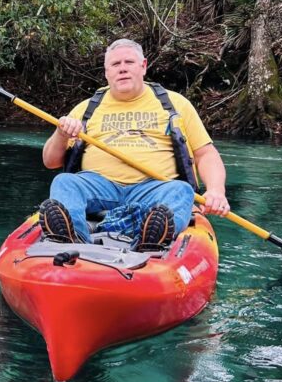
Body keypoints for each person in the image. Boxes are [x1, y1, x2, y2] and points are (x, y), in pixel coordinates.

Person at [39, 38, 230, 250]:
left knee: (181, 190)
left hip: (155, 189)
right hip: (100, 187)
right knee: (64, 182)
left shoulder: (175, 104)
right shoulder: (86, 109)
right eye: (115, 64)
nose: (122, 69)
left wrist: (216, 190)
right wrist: (61, 134)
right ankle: (74, 236)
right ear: (106, 72)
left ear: (143, 66)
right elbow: (50, 161)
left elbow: (205, 154)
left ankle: (152, 237)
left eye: (129, 62)